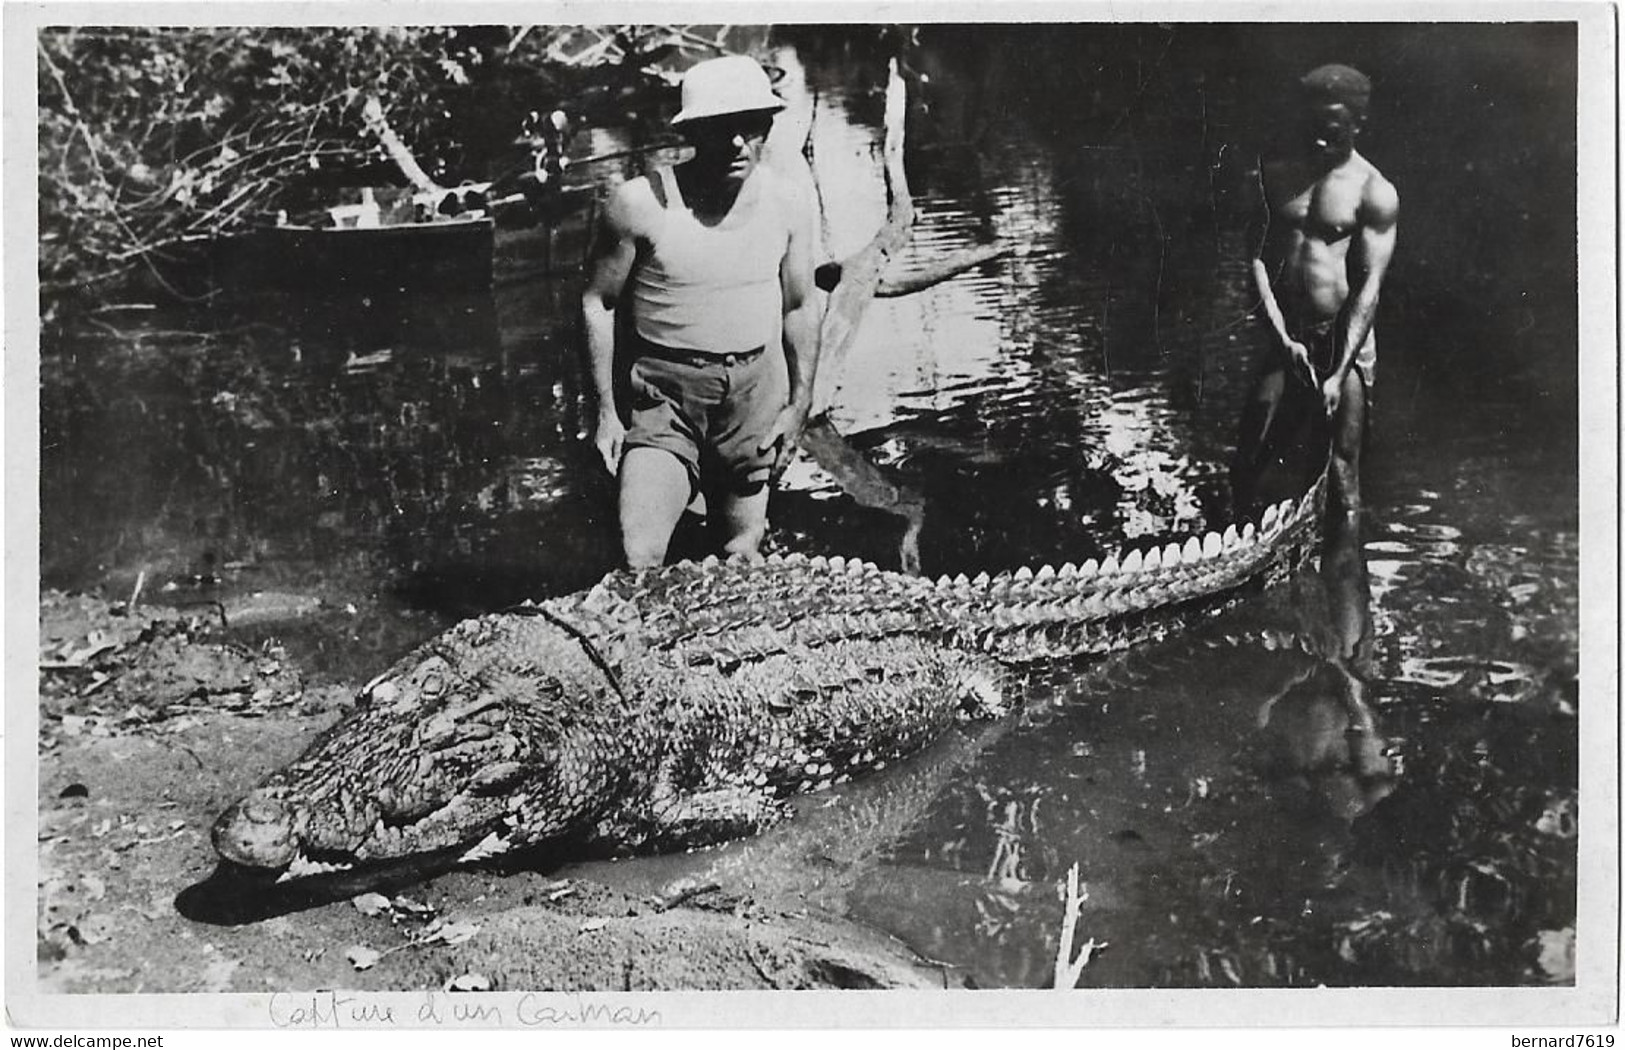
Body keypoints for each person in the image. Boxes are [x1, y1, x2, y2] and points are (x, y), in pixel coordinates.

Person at [581, 55, 821, 569]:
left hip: (754, 393)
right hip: (665, 394)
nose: (737, 142)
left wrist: (798, 406)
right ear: (693, 131)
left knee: (741, 554)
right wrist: (605, 412)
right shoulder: (640, 203)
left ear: (767, 126)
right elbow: (598, 302)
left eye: (750, 126)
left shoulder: (789, 201)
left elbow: (799, 306)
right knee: (639, 555)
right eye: (720, 128)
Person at [1235, 63, 1399, 519]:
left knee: (1342, 479)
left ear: (1357, 124)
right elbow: (1256, 260)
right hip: (1285, 336)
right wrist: (1282, 340)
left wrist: (1337, 371)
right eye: (1310, 127)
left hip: (1341, 340)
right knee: (1248, 462)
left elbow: (1368, 289)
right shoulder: (1274, 174)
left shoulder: (1374, 191)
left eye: (1331, 129)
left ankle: (1346, 584)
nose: (1319, 140)